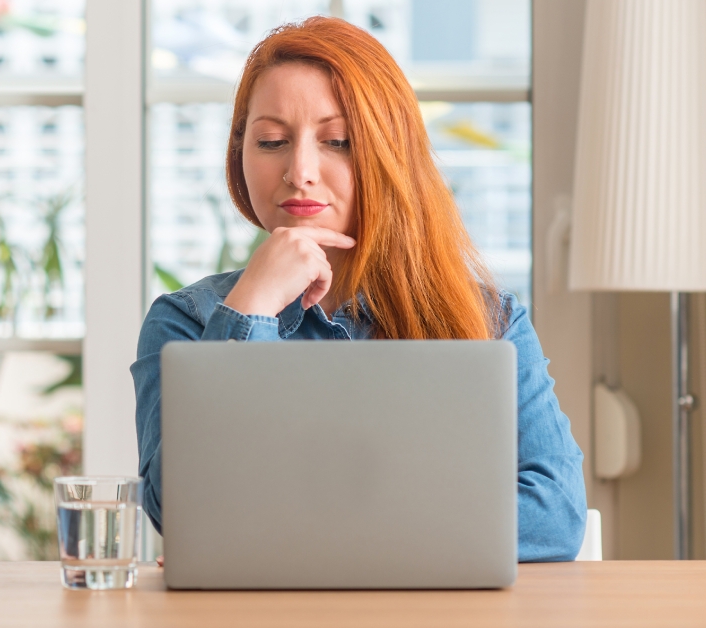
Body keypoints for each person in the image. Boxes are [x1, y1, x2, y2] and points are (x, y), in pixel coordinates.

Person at [131, 16, 587, 562]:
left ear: (390, 154)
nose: (300, 171)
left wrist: (296, 535)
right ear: (239, 154)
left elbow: (554, 514)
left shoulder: (488, 318)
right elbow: (185, 514)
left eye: (338, 141)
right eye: (272, 140)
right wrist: (249, 310)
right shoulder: (185, 322)